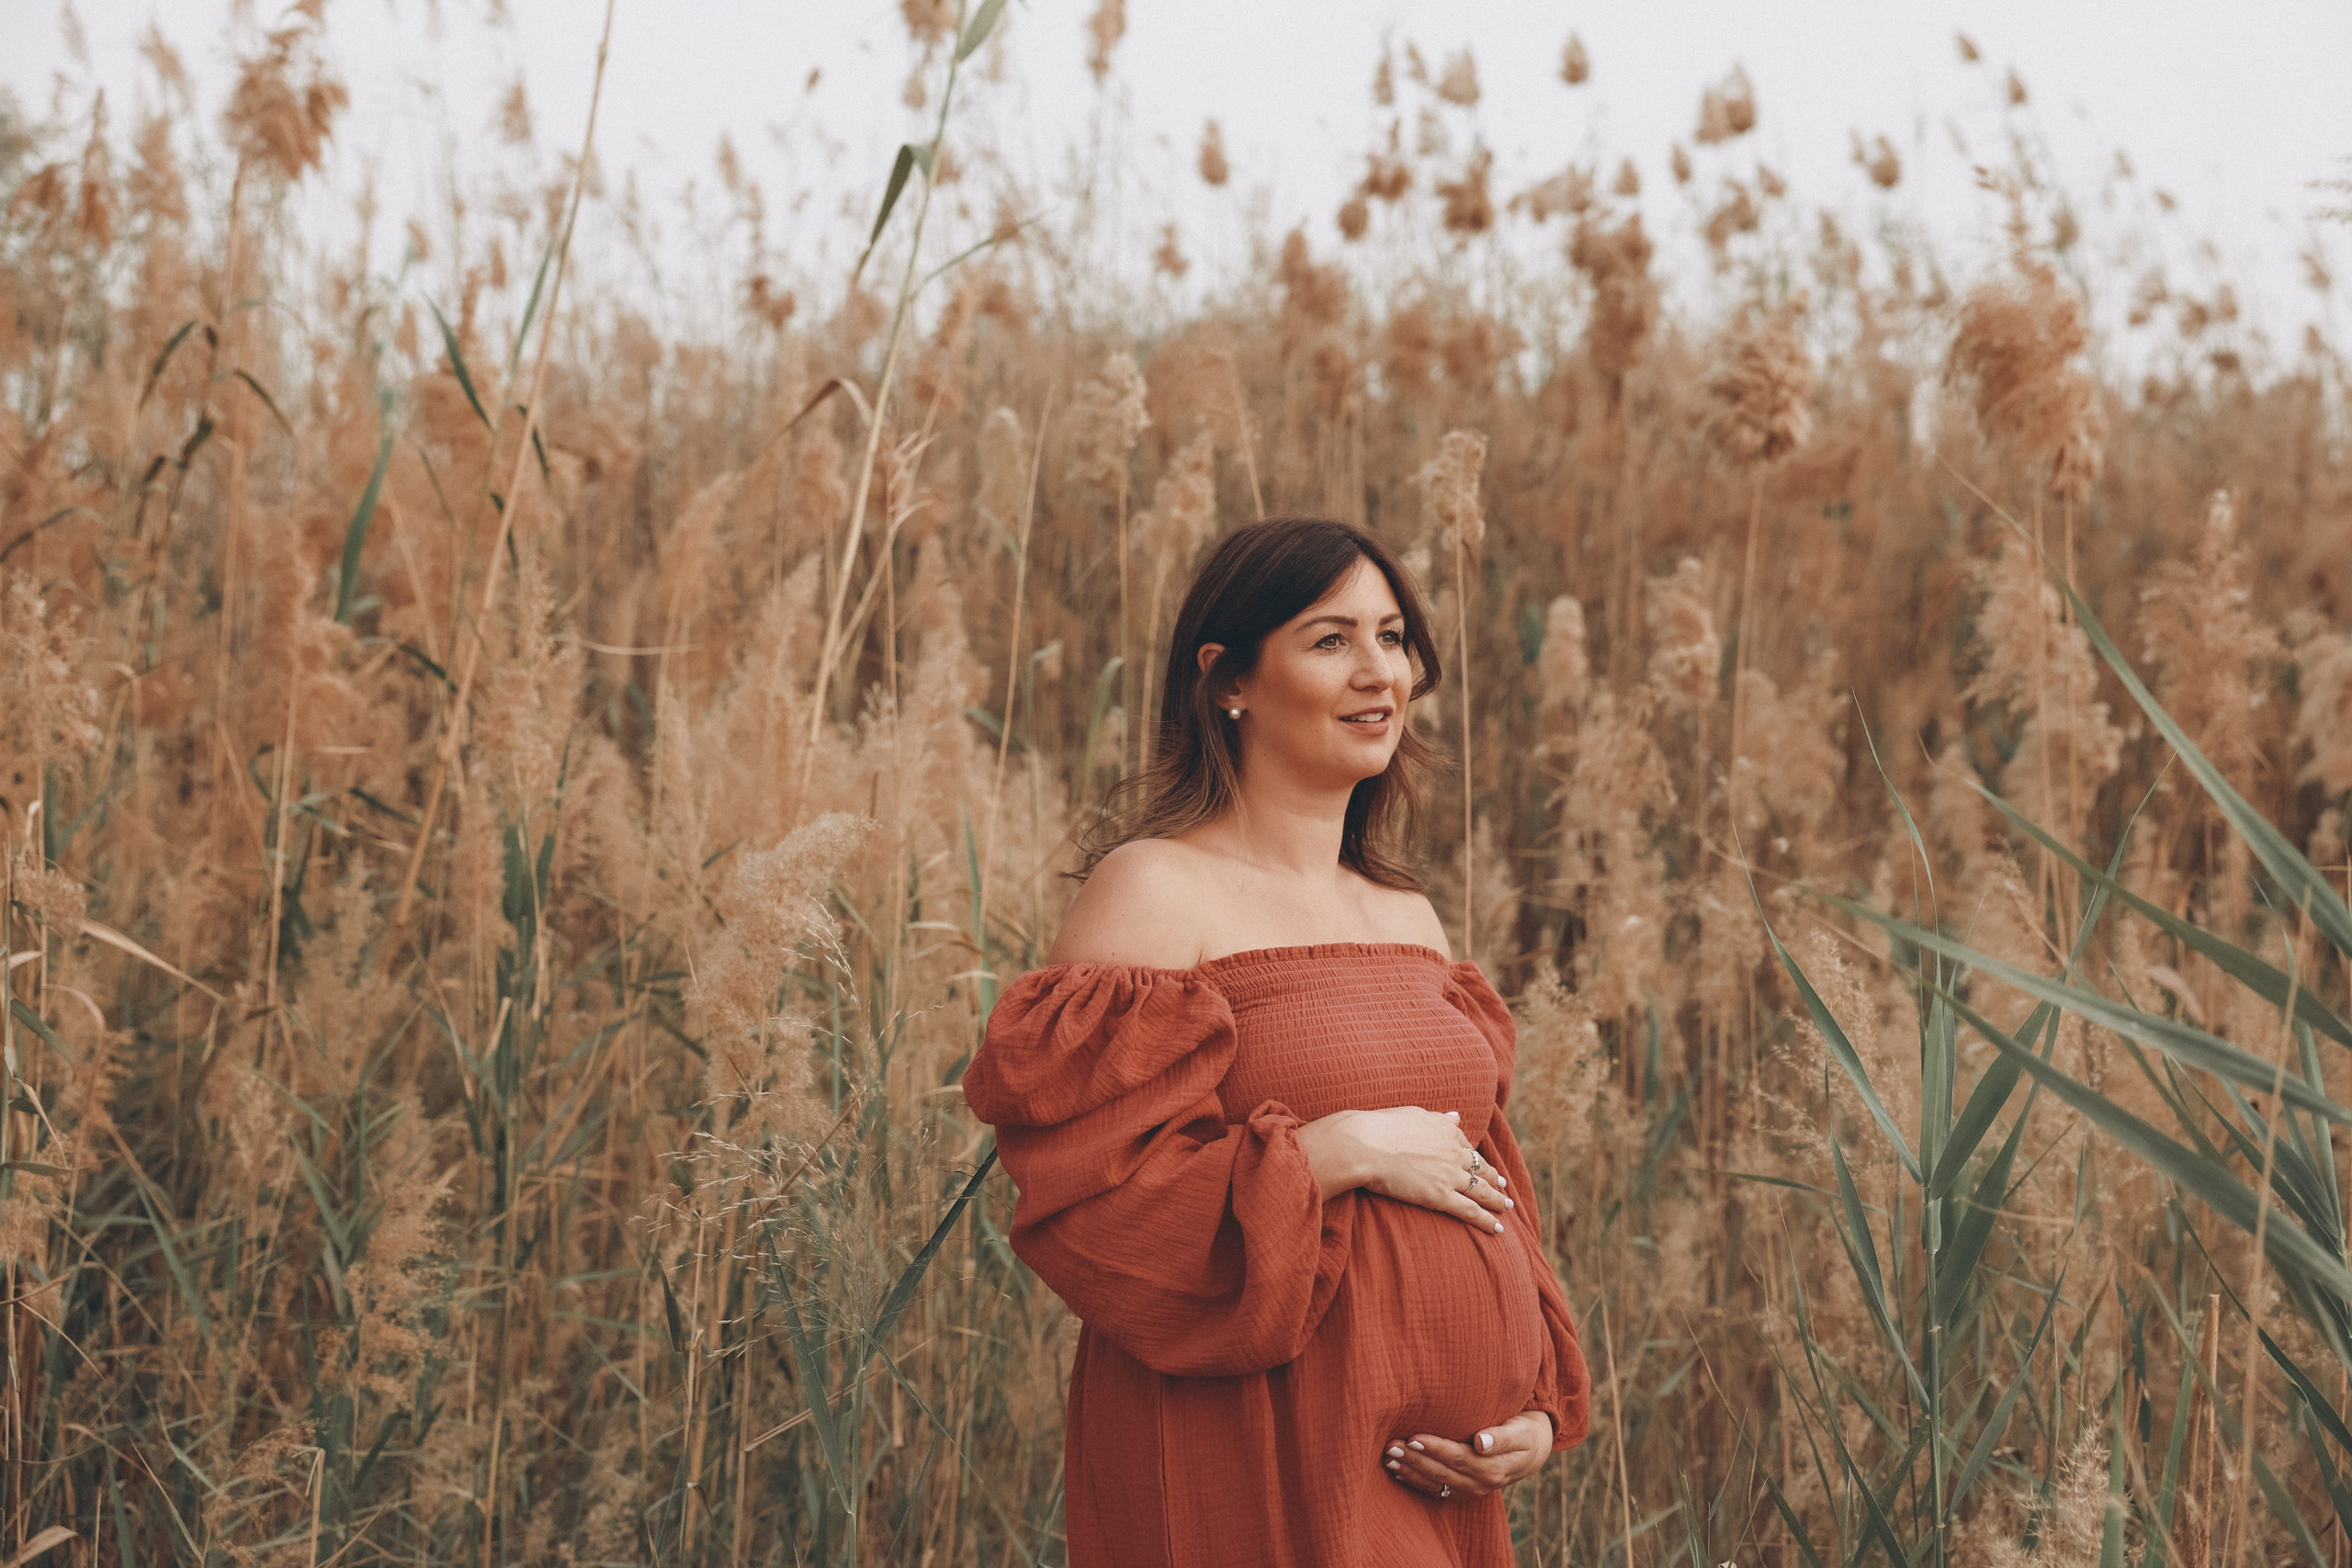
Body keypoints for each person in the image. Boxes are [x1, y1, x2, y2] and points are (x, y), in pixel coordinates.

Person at [961, 517, 1591, 1567]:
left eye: (1392, 638)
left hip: (1437, 1480)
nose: (1379, 673)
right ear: (1226, 680)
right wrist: (1339, 1149)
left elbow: (1483, 1175)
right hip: (1251, 1436)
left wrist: (1534, 1402)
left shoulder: (1406, 916)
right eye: (1330, 639)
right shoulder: (1156, 891)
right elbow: (1092, 1202)